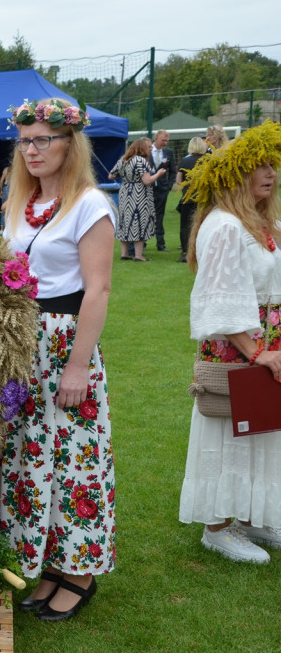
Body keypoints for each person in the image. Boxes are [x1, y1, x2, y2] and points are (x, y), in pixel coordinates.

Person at [0, 98, 116, 622]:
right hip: (24, 343)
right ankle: (51, 562)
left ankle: (81, 571)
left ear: (71, 143)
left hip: (66, 341)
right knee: (32, 456)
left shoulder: (90, 203)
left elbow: (98, 290)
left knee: (74, 459)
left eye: (44, 139)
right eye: (25, 140)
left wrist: (77, 366)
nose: (32, 150)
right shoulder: (19, 203)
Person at [178, 120, 281, 564]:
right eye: (259, 165)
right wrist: (257, 351)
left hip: (269, 343)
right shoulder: (223, 226)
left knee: (263, 428)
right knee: (231, 429)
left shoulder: (265, 219)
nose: (270, 172)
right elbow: (218, 301)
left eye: (273, 164)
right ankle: (217, 528)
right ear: (235, 173)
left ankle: (251, 516)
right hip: (241, 347)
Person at [109, 138, 167, 262]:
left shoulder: (123, 160)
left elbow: (111, 175)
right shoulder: (141, 161)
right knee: (138, 221)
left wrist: (125, 177)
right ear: (142, 149)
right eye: (148, 147)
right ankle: (138, 255)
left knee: (125, 222)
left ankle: (125, 254)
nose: (149, 149)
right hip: (139, 194)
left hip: (125, 193)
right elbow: (147, 181)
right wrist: (158, 174)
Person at [175, 137, 209, 262]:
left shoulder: (184, 161)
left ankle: (185, 252)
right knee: (202, 225)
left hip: (187, 198)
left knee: (185, 226)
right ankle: (202, 250)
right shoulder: (207, 160)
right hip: (203, 199)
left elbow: (178, 180)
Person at [150, 130, 176, 251]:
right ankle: (142, 243)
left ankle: (160, 243)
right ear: (156, 139)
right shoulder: (147, 150)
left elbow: (173, 171)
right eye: (162, 140)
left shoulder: (168, 152)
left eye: (166, 141)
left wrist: (169, 186)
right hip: (148, 188)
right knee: (146, 215)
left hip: (162, 189)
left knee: (160, 216)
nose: (164, 143)